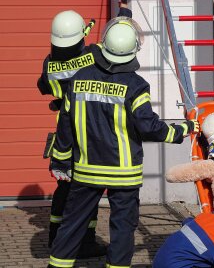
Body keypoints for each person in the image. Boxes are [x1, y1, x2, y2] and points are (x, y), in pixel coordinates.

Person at [47, 15, 200, 268]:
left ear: (103, 44)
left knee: (72, 225)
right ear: (133, 51)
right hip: (123, 174)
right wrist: (182, 129)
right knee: (122, 230)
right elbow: (148, 127)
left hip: (86, 171)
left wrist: (60, 159)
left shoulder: (78, 78)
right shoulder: (136, 86)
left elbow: (65, 125)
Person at [37, 1, 132, 258]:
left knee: (65, 189)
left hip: (64, 133)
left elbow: (43, 87)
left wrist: (59, 100)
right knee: (87, 190)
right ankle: (85, 244)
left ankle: (57, 240)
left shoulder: (49, 65)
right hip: (90, 132)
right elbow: (119, 40)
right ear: (82, 35)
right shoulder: (93, 54)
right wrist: (124, 13)